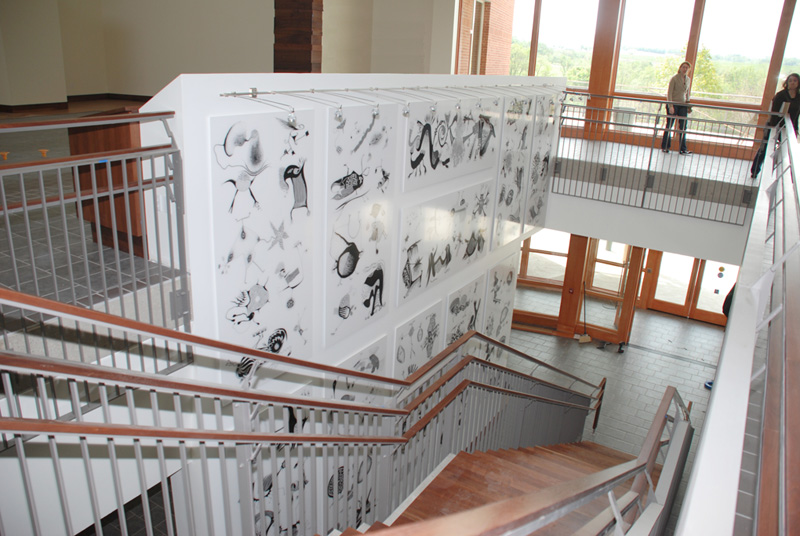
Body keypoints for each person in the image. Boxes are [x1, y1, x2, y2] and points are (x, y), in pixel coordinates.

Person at [751, 73, 800, 178]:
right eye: (790, 80)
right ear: (787, 82)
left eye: (795, 80)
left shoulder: (799, 98)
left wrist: (795, 129)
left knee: (785, 150)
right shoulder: (781, 95)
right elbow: (774, 112)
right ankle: (755, 170)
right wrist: (773, 129)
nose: (792, 83)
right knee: (764, 148)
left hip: (787, 128)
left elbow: (796, 116)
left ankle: (780, 174)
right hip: (774, 125)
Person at [661, 61, 693, 155]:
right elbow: (669, 93)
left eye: (687, 68)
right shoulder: (674, 79)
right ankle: (665, 146)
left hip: (683, 104)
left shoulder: (688, 79)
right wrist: (670, 106)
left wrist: (688, 104)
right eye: (683, 67)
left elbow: (687, 93)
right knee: (669, 125)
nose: (685, 69)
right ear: (680, 68)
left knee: (683, 127)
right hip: (674, 103)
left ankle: (683, 148)